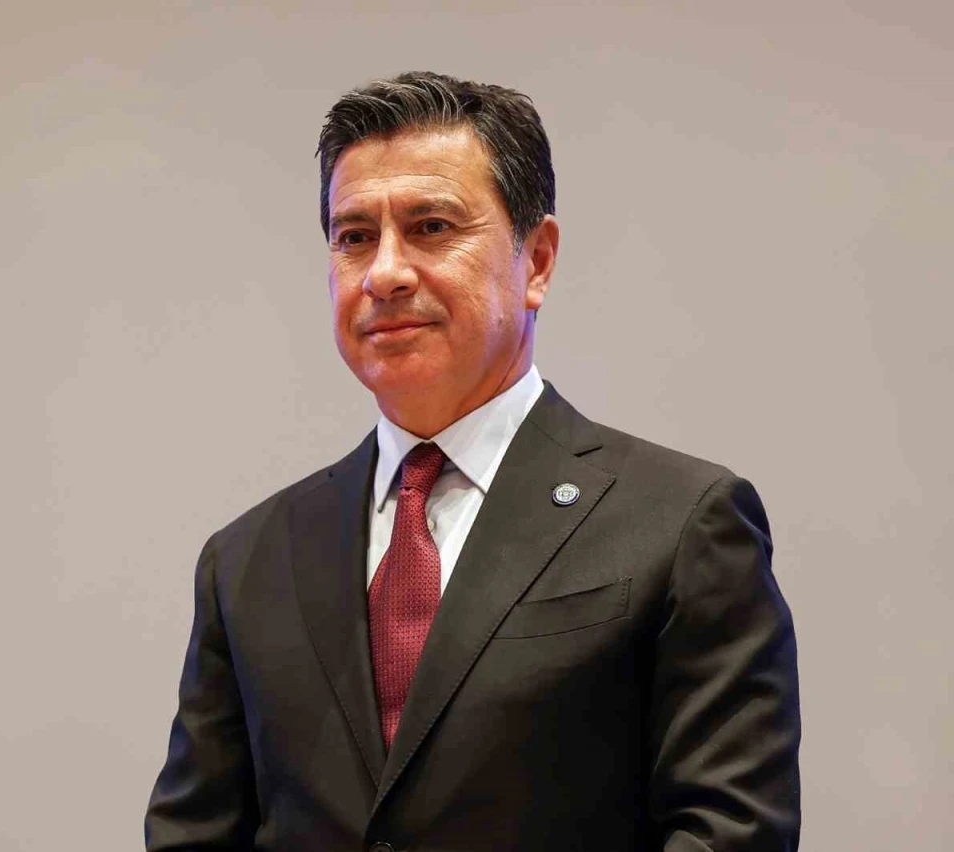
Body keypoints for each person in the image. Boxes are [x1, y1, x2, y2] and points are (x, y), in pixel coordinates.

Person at [144, 71, 800, 851]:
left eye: (430, 227)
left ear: (538, 261)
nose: (385, 273)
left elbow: (729, 832)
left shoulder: (682, 523)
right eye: (354, 237)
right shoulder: (248, 560)